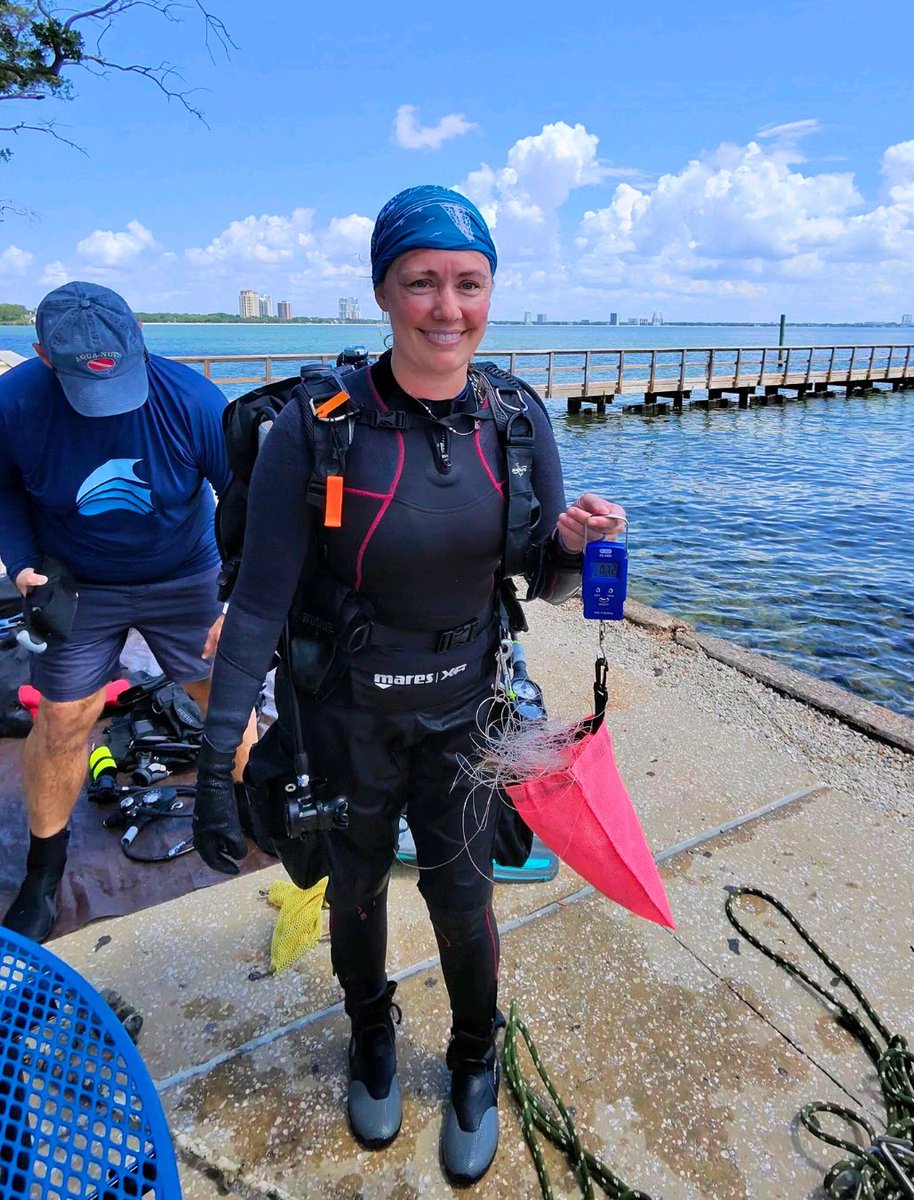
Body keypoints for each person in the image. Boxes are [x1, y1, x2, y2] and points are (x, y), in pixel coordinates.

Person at [191, 185, 625, 1185]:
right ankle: (373, 1032)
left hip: (465, 709)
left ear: (491, 292)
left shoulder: (515, 420)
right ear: (383, 292)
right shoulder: (322, 429)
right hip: (346, 715)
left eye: (468, 284)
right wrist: (219, 760)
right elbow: (256, 608)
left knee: (462, 897)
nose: (446, 308)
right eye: (420, 282)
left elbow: (549, 587)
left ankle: (475, 1052)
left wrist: (573, 545)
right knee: (352, 894)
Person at [0, 281, 256, 945]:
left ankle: (251, 811)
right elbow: (3, 489)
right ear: (44, 357)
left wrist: (238, 596)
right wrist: (20, 560)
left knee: (224, 699)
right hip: (76, 583)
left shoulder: (192, 399)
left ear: (138, 337)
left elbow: (246, 503)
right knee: (61, 718)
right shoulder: (15, 402)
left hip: (186, 572)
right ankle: (43, 870)